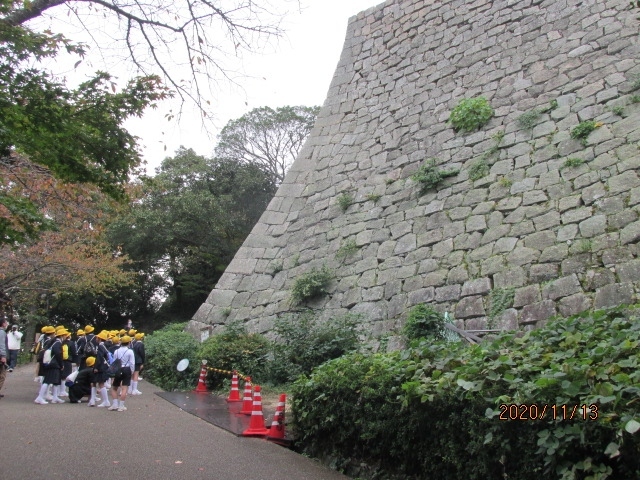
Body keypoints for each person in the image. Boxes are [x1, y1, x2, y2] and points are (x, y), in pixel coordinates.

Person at [35, 327, 66, 404]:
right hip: (53, 364)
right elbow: (57, 353)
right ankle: (40, 397)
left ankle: (55, 397)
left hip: (51, 363)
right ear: (62, 335)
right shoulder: (57, 343)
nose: (66, 336)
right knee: (47, 381)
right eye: (65, 335)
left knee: (55, 381)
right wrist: (61, 364)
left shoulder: (54, 341)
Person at [108, 335, 136, 412]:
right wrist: (132, 371)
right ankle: (121, 405)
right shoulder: (130, 351)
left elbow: (114, 361)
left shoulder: (116, 351)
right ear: (129, 342)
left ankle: (114, 404)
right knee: (124, 388)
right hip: (127, 369)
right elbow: (132, 363)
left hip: (118, 369)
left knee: (114, 387)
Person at [88, 330, 111, 408]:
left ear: (100, 338)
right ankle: (96, 400)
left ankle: (106, 401)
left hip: (100, 367)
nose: (96, 338)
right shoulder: (104, 345)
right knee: (99, 383)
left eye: (97, 337)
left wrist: (96, 367)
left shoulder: (101, 346)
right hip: (104, 366)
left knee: (101, 384)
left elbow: (99, 358)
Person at [0, 317, 8, 398]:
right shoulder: (2, 332)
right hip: (0, 356)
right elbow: (2, 344)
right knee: (2, 375)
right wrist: (3, 356)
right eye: (6, 322)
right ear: (3, 323)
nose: (7, 324)